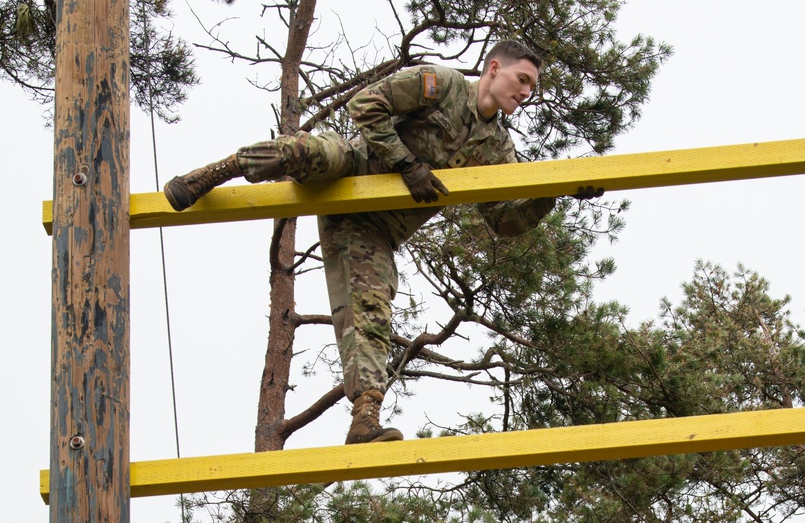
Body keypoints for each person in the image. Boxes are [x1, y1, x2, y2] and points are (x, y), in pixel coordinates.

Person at [164, 41, 600, 444]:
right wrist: (406, 163)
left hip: (372, 229)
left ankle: (364, 420)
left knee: (371, 312)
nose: (525, 92)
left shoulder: (497, 148)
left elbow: (503, 222)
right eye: (522, 80)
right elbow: (365, 104)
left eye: (532, 87)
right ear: (494, 68)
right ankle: (212, 174)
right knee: (306, 152)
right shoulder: (441, 85)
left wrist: (553, 192)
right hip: (352, 170)